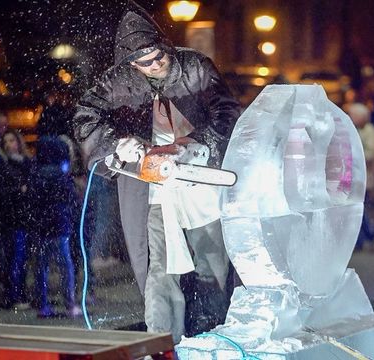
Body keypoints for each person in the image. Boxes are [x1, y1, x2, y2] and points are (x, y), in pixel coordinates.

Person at [73, 3, 240, 342]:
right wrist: (116, 144)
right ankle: (163, 339)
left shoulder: (195, 67)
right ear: (130, 64)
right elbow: (84, 117)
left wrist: (193, 142)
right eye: (143, 63)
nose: (154, 66)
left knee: (212, 262)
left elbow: (226, 112)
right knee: (158, 271)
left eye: (157, 58)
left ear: (164, 47)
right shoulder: (116, 82)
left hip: (200, 183)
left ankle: (215, 334)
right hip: (150, 187)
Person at [28, 136, 81, 318]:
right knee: (65, 266)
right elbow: (70, 198)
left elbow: (32, 200)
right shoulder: (61, 174)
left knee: (41, 268)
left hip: (41, 227)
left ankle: (42, 304)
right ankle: (69, 304)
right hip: (59, 225)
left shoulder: (36, 173)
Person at [0, 129, 33, 309]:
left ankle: (17, 294)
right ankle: (14, 296)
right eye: (6, 142)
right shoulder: (1, 166)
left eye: (12, 140)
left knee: (19, 259)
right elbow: (2, 191)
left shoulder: (25, 163)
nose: (9, 145)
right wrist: (19, 191)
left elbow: (30, 187)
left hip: (22, 218)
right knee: (14, 259)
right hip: (9, 219)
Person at [347, 103, 374, 250]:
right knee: (355, 209)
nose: (350, 117)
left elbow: (371, 153)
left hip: (363, 177)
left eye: (353, 115)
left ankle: (369, 236)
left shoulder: (370, 132)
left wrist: (351, 156)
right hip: (354, 177)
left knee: (359, 209)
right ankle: (361, 240)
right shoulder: (355, 130)